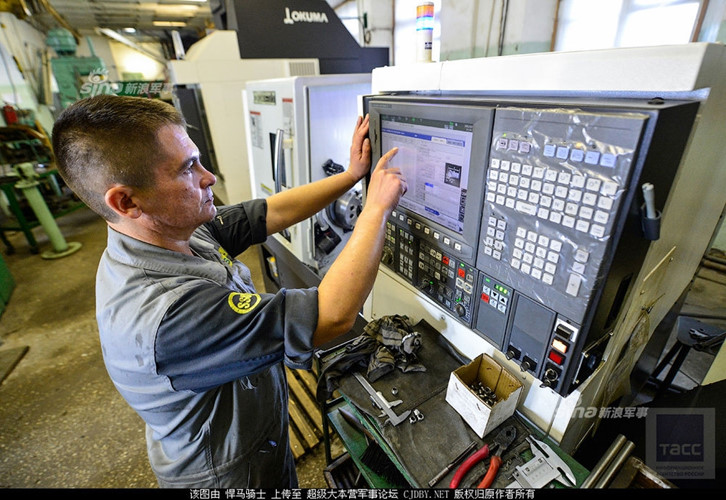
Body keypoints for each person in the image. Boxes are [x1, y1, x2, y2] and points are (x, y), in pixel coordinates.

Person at [51, 94, 407, 488]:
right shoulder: (167, 314)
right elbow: (331, 315)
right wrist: (375, 211)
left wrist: (353, 175)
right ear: (127, 200)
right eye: (188, 169)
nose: (209, 178)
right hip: (230, 475)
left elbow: (270, 212)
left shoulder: (169, 232)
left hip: (257, 442)